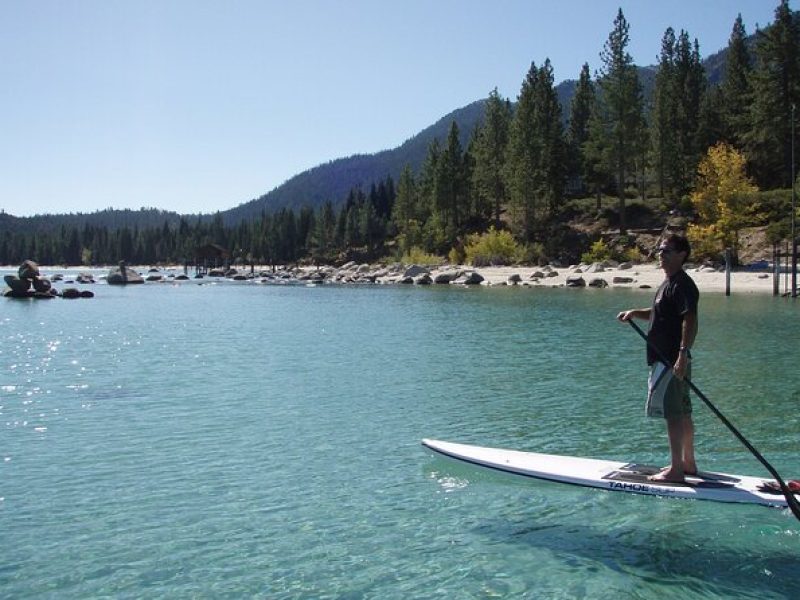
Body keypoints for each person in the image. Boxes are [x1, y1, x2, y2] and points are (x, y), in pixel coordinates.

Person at [617, 234, 699, 483]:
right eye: (660, 251)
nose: (661, 255)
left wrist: (682, 354)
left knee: (673, 414)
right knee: (683, 412)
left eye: (667, 251)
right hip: (670, 359)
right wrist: (635, 313)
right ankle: (687, 463)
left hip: (671, 360)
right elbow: (661, 313)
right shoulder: (669, 283)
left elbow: (690, 319)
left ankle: (676, 471)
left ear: (682, 254)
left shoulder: (683, 284)